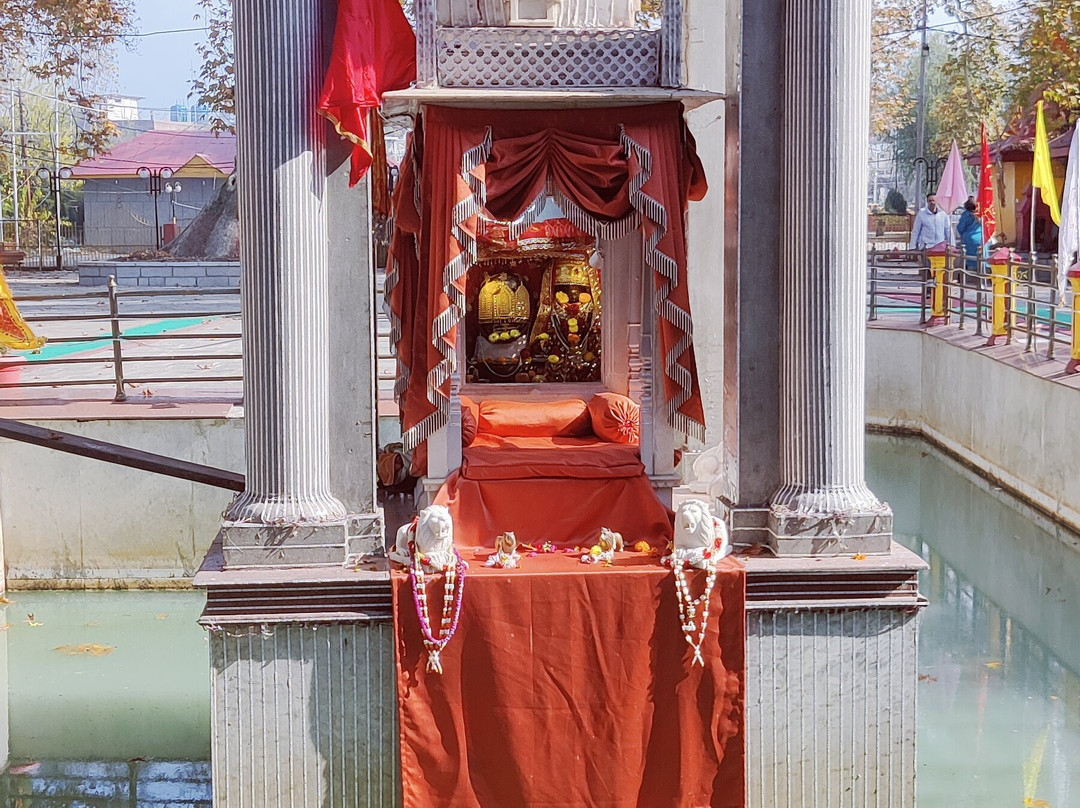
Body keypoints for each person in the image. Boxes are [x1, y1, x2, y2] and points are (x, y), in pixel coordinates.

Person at [956, 197, 983, 281]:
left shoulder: (966, 215)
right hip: (981, 237)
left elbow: (960, 227)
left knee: (966, 258)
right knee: (981, 258)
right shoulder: (980, 214)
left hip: (969, 238)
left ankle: (964, 278)